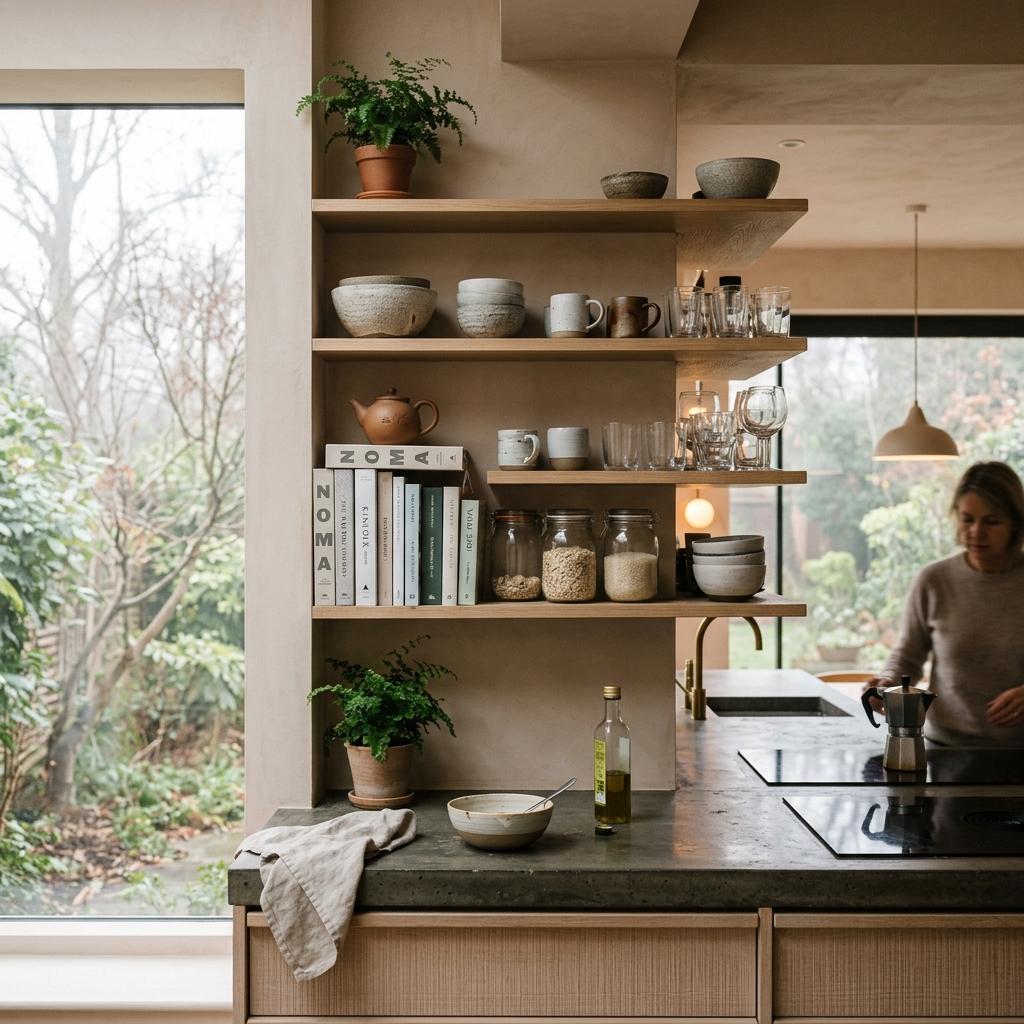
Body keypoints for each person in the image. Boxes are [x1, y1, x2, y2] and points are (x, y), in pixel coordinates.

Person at [864, 461, 1024, 746]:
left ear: (1015, 524)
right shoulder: (934, 580)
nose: (976, 531)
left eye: (992, 521)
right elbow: (907, 657)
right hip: (943, 749)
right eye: (967, 519)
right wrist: (886, 684)